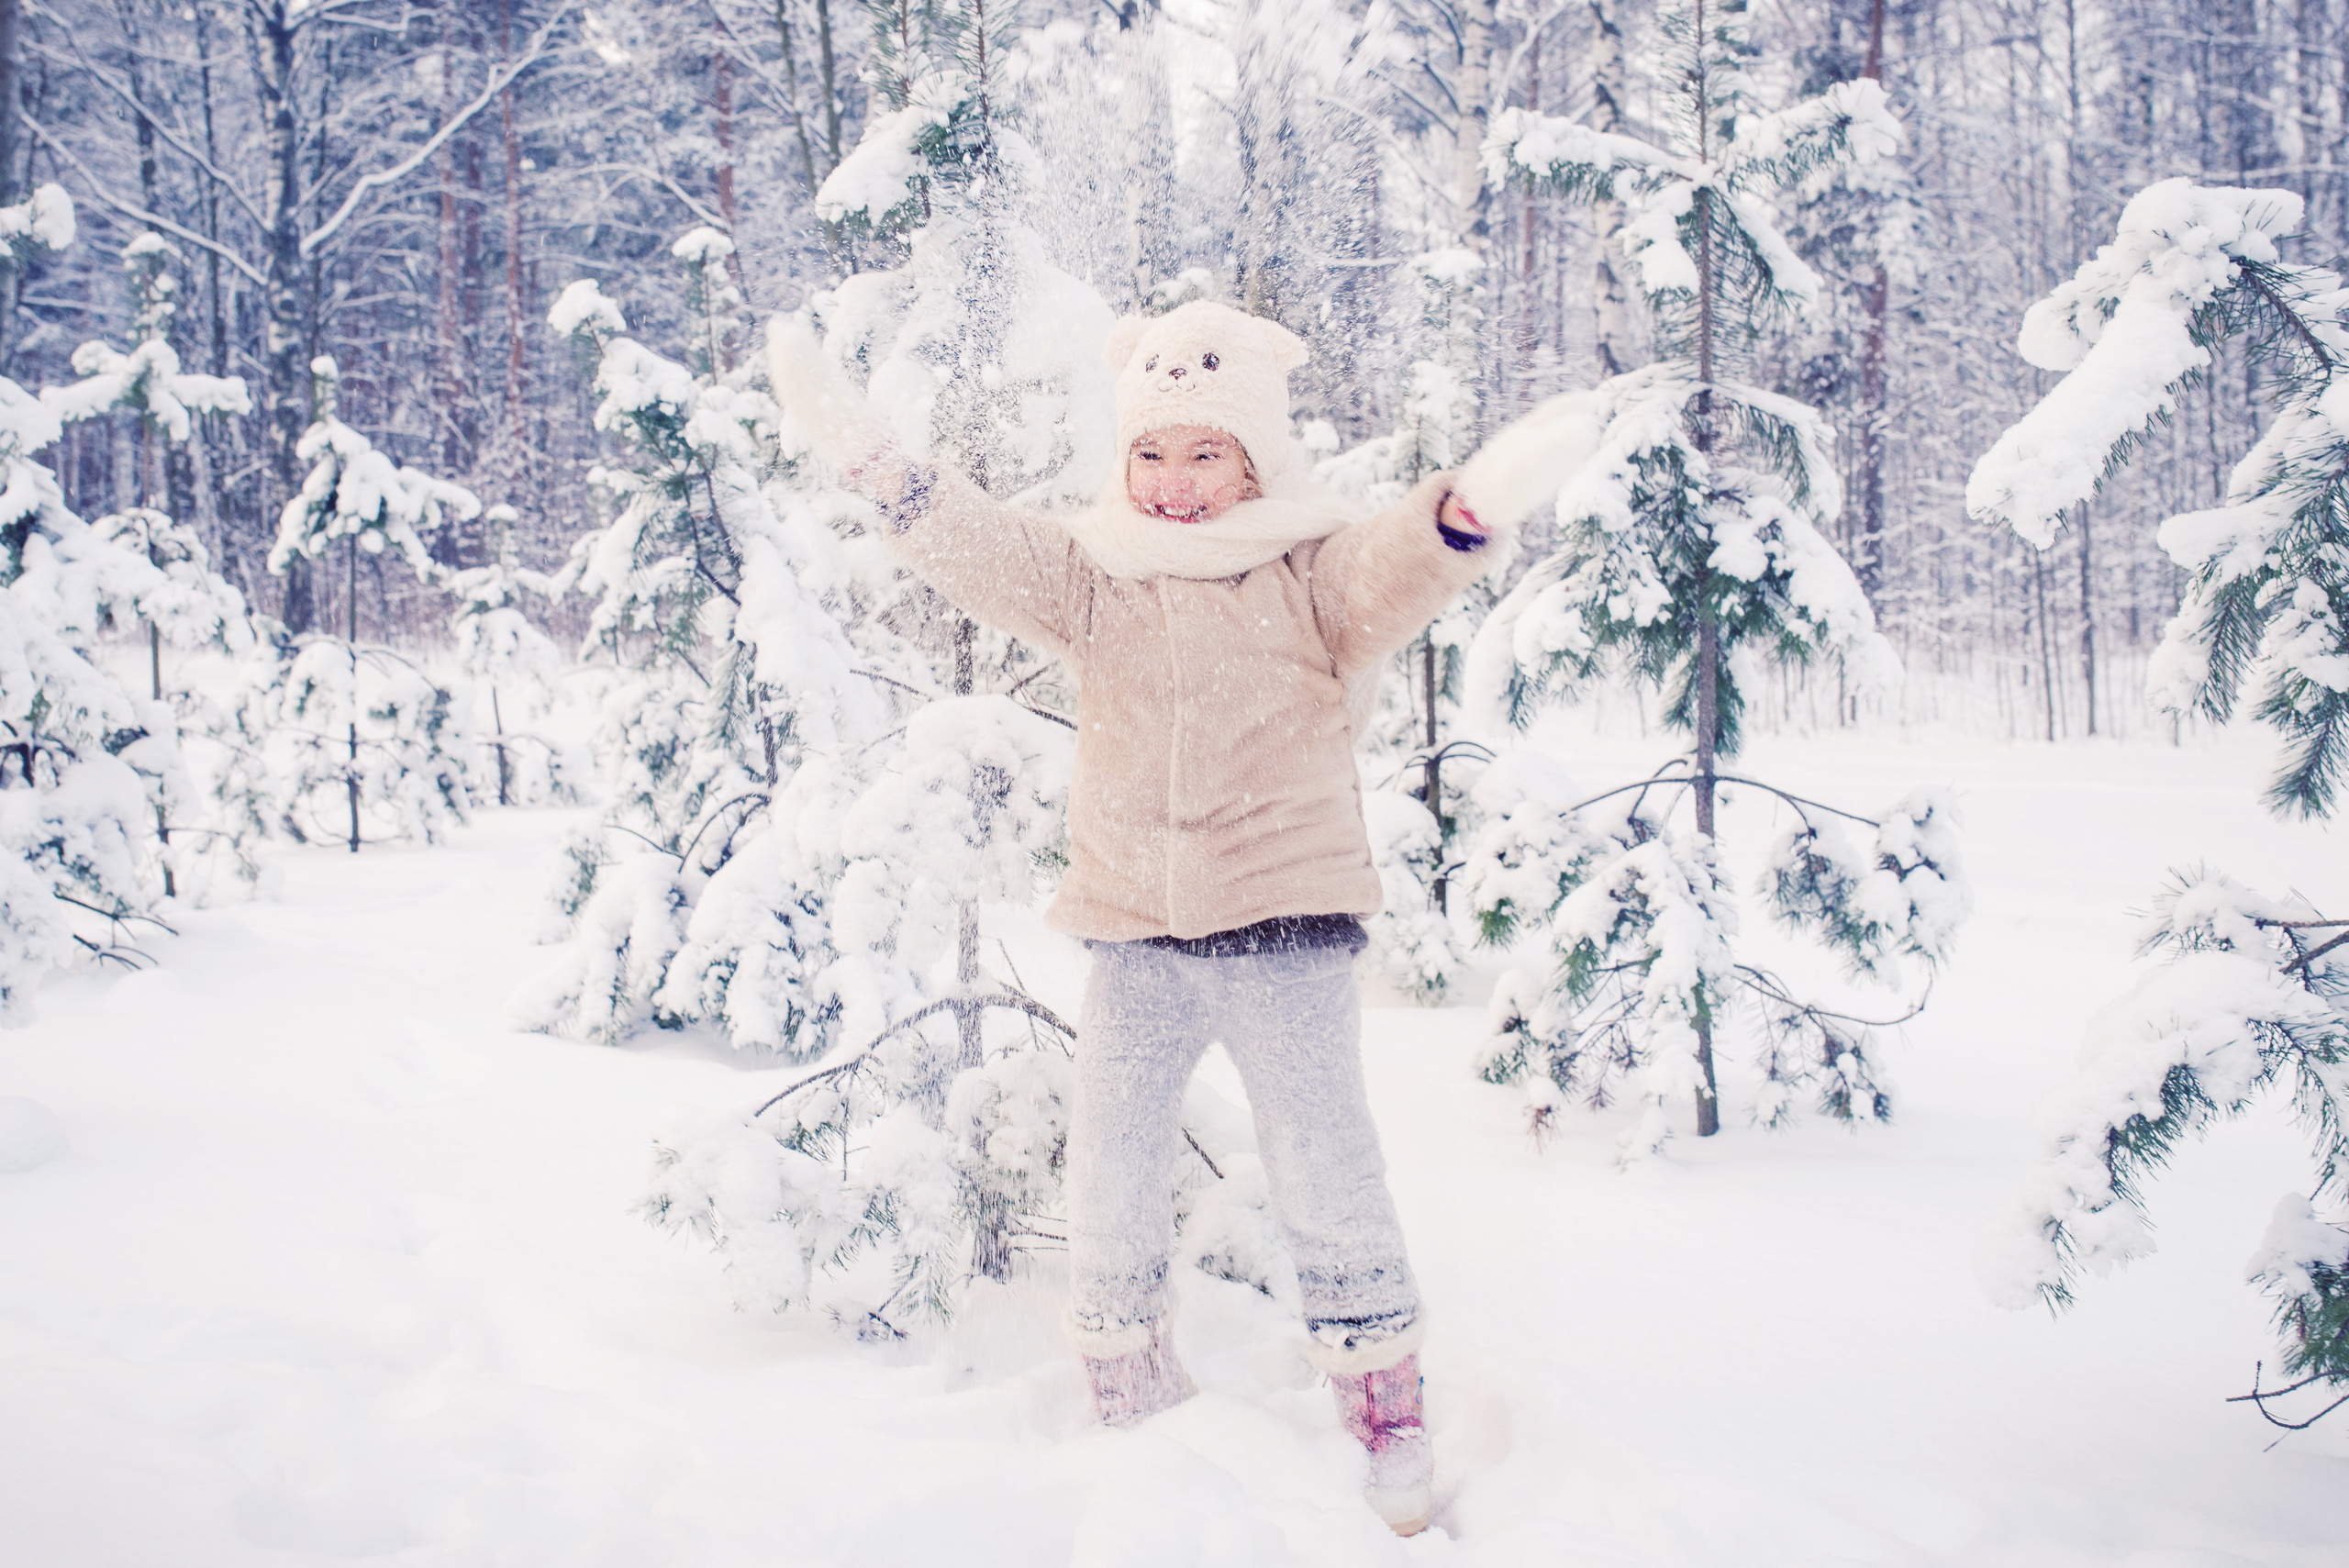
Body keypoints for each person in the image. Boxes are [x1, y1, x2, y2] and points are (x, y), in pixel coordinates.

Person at [768, 300, 1592, 1538]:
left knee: (1327, 1171)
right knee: (1109, 1165)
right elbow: (982, 548)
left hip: (1285, 937)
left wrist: (1467, 506)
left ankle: (1385, 1401)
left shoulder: (1313, 578)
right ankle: (1131, 1388)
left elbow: (1397, 562)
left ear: (1255, 459)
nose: (1171, 481)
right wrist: (877, 464)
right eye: (1150, 453)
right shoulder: (1097, 579)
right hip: (1139, 938)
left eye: (1204, 453)